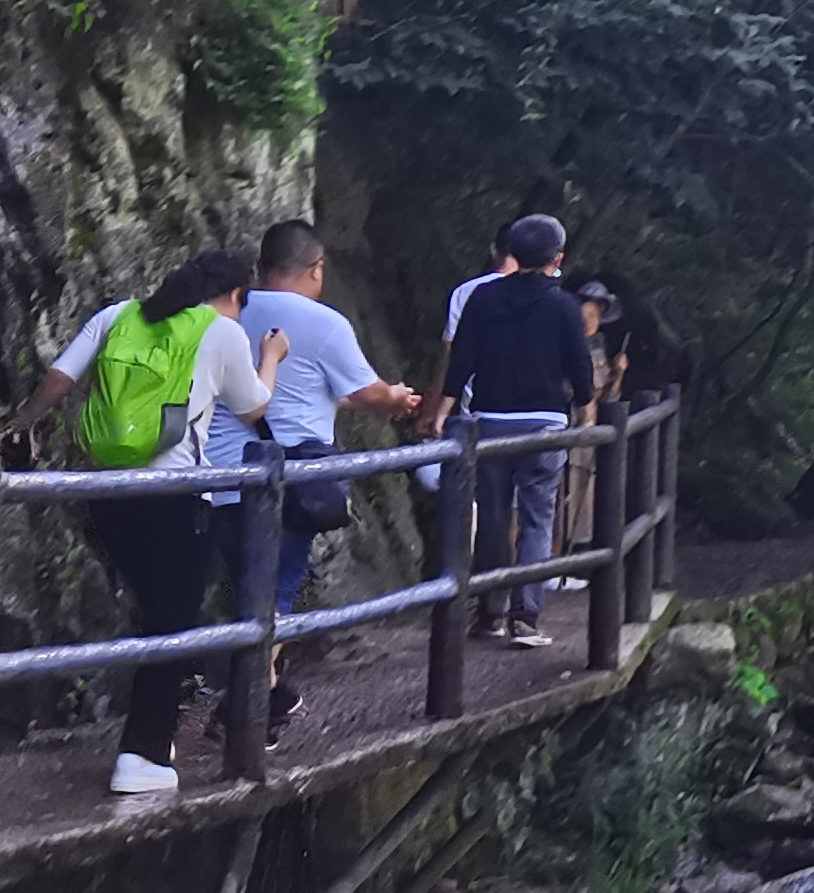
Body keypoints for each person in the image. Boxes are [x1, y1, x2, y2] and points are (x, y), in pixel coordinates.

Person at [3, 249, 291, 796]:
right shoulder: (222, 330)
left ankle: (155, 738)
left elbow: (61, 375)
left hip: (105, 494)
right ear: (235, 296)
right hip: (175, 496)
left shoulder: (119, 315)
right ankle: (142, 756)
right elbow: (255, 407)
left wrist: (22, 424)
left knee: (152, 614)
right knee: (172, 626)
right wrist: (271, 355)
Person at [228, 222, 421, 621]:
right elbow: (370, 392)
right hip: (287, 480)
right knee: (276, 595)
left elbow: (307, 390)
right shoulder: (324, 322)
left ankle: (260, 678)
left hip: (219, 474)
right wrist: (395, 397)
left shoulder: (231, 309)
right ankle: (257, 680)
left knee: (241, 591)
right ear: (316, 268)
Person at [437, 214, 591, 647]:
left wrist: (441, 411)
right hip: (544, 421)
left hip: (489, 421)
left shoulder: (483, 300)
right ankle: (526, 618)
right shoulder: (563, 305)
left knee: (493, 518)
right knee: (537, 518)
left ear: (510, 252)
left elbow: (461, 358)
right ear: (556, 259)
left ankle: (489, 613)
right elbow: (579, 366)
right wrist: (585, 406)